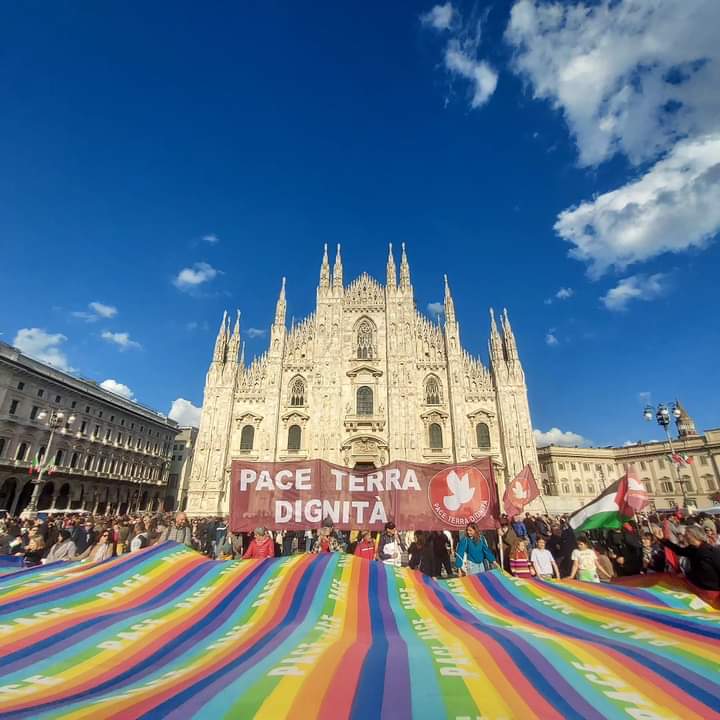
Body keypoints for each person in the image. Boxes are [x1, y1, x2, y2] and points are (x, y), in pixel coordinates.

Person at [655, 525, 720, 590]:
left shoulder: (711, 552)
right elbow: (678, 550)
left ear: (694, 535)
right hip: (698, 587)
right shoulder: (692, 549)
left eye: (686, 534)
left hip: (713, 590)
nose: (684, 537)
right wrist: (663, 539)